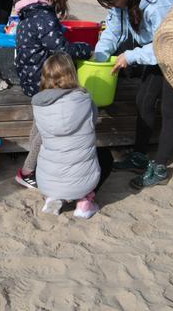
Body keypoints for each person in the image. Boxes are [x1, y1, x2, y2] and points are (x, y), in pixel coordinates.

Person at [93, 0, 173, 190]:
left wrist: (130, 56)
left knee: (170, 108)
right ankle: (140, 155)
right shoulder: (121, 0)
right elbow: (112, 31)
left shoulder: (159, 3)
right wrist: (99, 57)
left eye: (113, 2)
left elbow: (165, 44)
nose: (112, 7)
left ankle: (160, 167)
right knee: (143, 100)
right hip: (153, 52)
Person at [13, 0, 92, 188]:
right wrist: (86, 48)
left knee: (39, 123)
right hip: (44, 80)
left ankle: (34, 166)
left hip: (29, 77)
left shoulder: (28, 15)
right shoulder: (44, 17)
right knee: (45, 129)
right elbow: (62, 49)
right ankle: (27, 171)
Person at [32, 52, 113, 219]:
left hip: (47, 181)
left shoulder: (38, 105)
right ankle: (84, 202)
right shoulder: (86, 100)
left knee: (54, 154)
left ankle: (54, 197)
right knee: (106, 157)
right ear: (71, 74)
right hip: (82, 182)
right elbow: (93, 122)